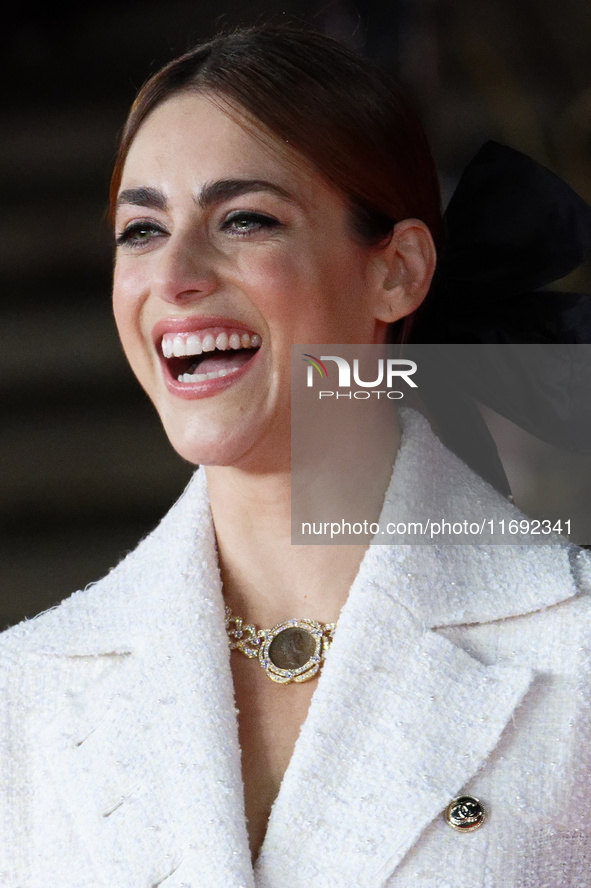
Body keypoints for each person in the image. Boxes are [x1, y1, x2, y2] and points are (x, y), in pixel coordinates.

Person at [1, 24, 591, 888]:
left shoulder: (573, 658)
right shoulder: (25, 693)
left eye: (243, 218)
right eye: (140, 230)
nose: (174, 275)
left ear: (397, 272)